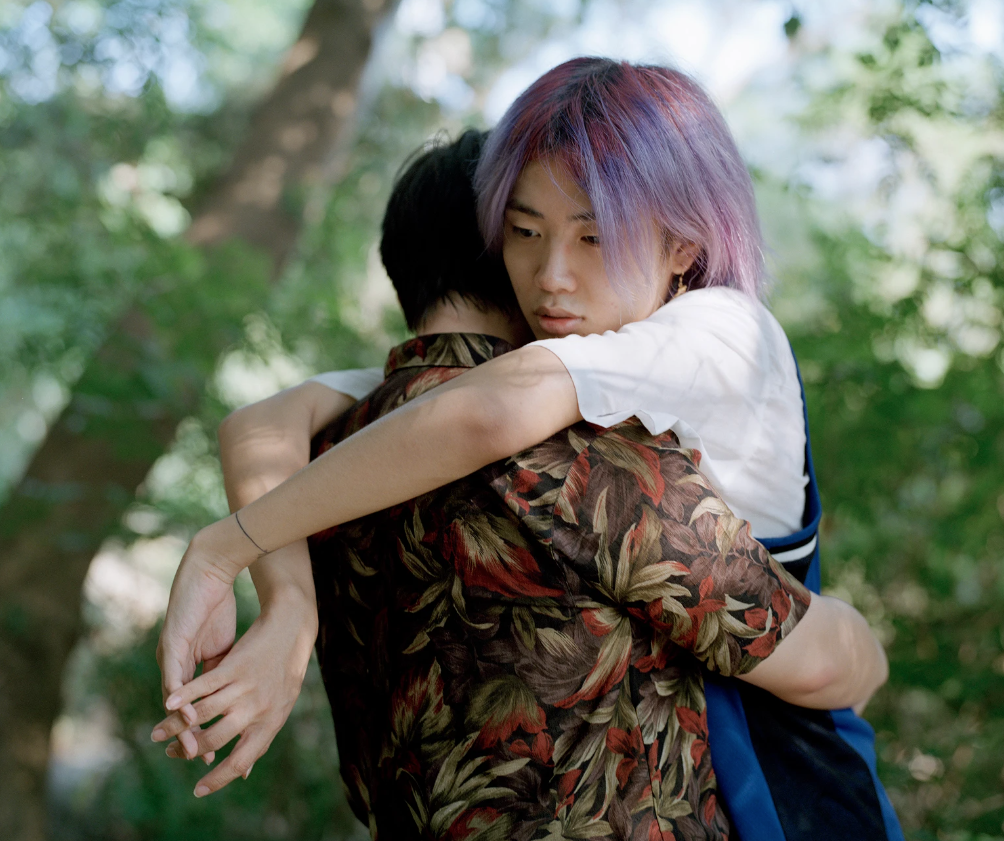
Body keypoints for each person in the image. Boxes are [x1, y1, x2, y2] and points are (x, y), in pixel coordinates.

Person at [154, 60, 900, 836]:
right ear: (490, 248)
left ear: (683, 242)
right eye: (523, 233)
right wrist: (272, 593)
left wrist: (257, 569)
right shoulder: (544, 435)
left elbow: (292, 418)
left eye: (592, 234)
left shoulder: (713, 332)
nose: (552, 279)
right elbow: (445, 406)